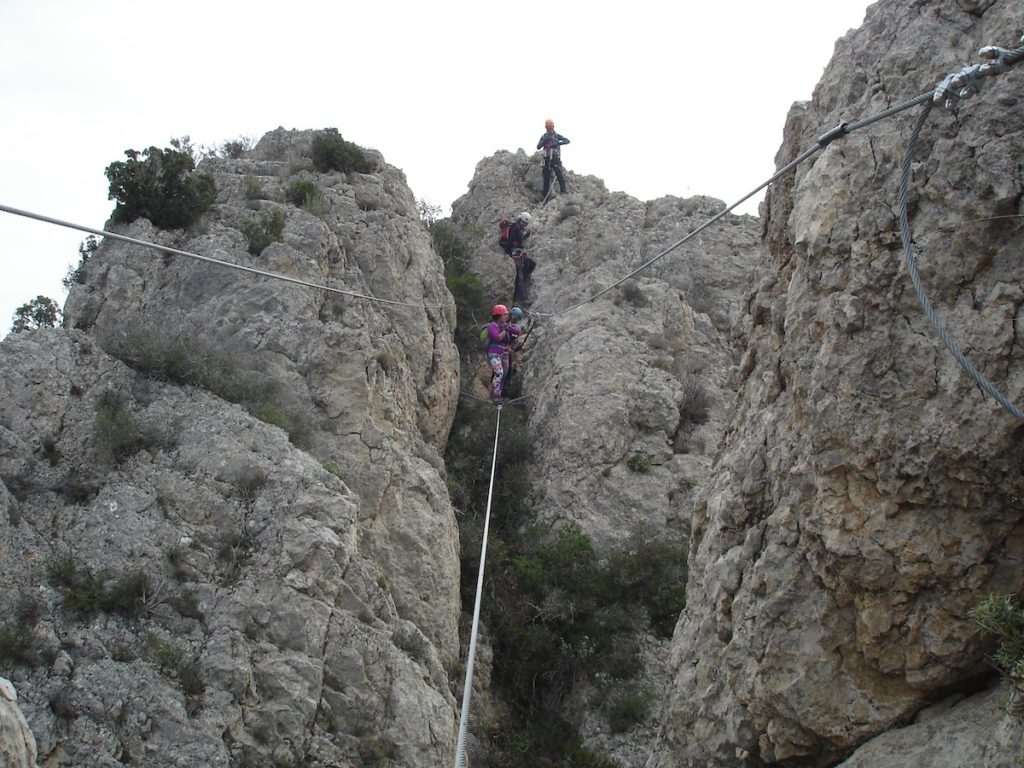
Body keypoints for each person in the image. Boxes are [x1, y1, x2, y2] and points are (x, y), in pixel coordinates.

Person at [486, 304, 521, 402]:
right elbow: (497, 337)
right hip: (494, 354)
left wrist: (521, 326)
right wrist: (506, 329)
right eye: (504, 315)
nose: (506, 316)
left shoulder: (505, 326)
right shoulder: (492, 326)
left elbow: (518, 331)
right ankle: (494, 396)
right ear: (498, 316)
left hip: (504, 354)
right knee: (499, 373)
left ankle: (498, 394)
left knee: (504, 374)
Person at [537, 119, 569, 199]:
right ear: (546, 128)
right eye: (549, 128)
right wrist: (545, 140)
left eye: (551, 128)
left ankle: (564, 191)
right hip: (546, 158)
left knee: (559, 174)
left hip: (555, 158)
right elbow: (538, 146)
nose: (550, 130)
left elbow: (567, 141)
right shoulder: (544, 136)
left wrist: (557, 143)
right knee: (546, 178)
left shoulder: (556, 136)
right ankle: (545, 196)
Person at [507, 212, 536, 303]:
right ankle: (523, 298)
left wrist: (526, 235)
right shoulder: (516, 228)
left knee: (531, 264)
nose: (526, 225)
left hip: (517, 253)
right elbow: (512, 241)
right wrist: (510, 254)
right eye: (526, 223)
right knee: (520, 276)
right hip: (514, 254)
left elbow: (518, 239)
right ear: (522, 221)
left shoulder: (518, 228)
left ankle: (522, 282)